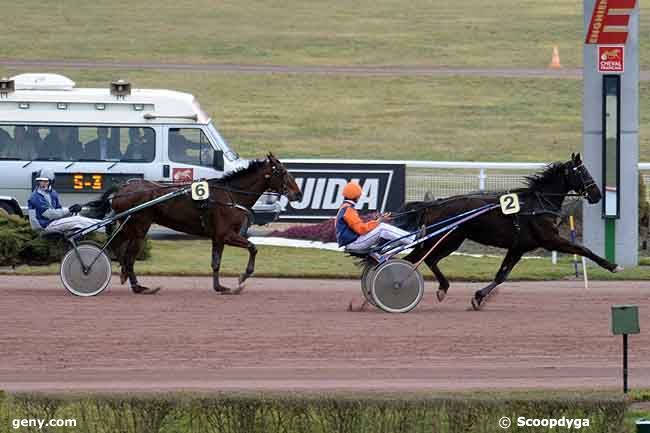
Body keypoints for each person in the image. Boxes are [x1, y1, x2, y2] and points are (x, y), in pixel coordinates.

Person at [335, 182, 425, 250]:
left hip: (354, 242)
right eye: (359, 196)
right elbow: (361, 229)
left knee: (383, 228)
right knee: (383, 228)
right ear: (356, 197)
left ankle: (410, 238)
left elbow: (360, 228)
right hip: (354, 243)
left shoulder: (345, 207)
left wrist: (378, 220)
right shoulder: (348, 210)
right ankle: (413, 240)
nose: (359, 198)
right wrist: (378, 221)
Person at [27, 168, 101, 234]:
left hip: (52, 222)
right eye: (40, 181)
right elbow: (50, 215)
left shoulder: (53, 193)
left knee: (77, 216)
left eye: (45, 181)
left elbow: (59, 210)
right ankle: (103, 228)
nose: (42, 184)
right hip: (44, 226)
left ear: (51, 182)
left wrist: (71, 212)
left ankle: (101, 224)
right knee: (77, 220)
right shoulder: (36, 196)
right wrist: (69, 210)